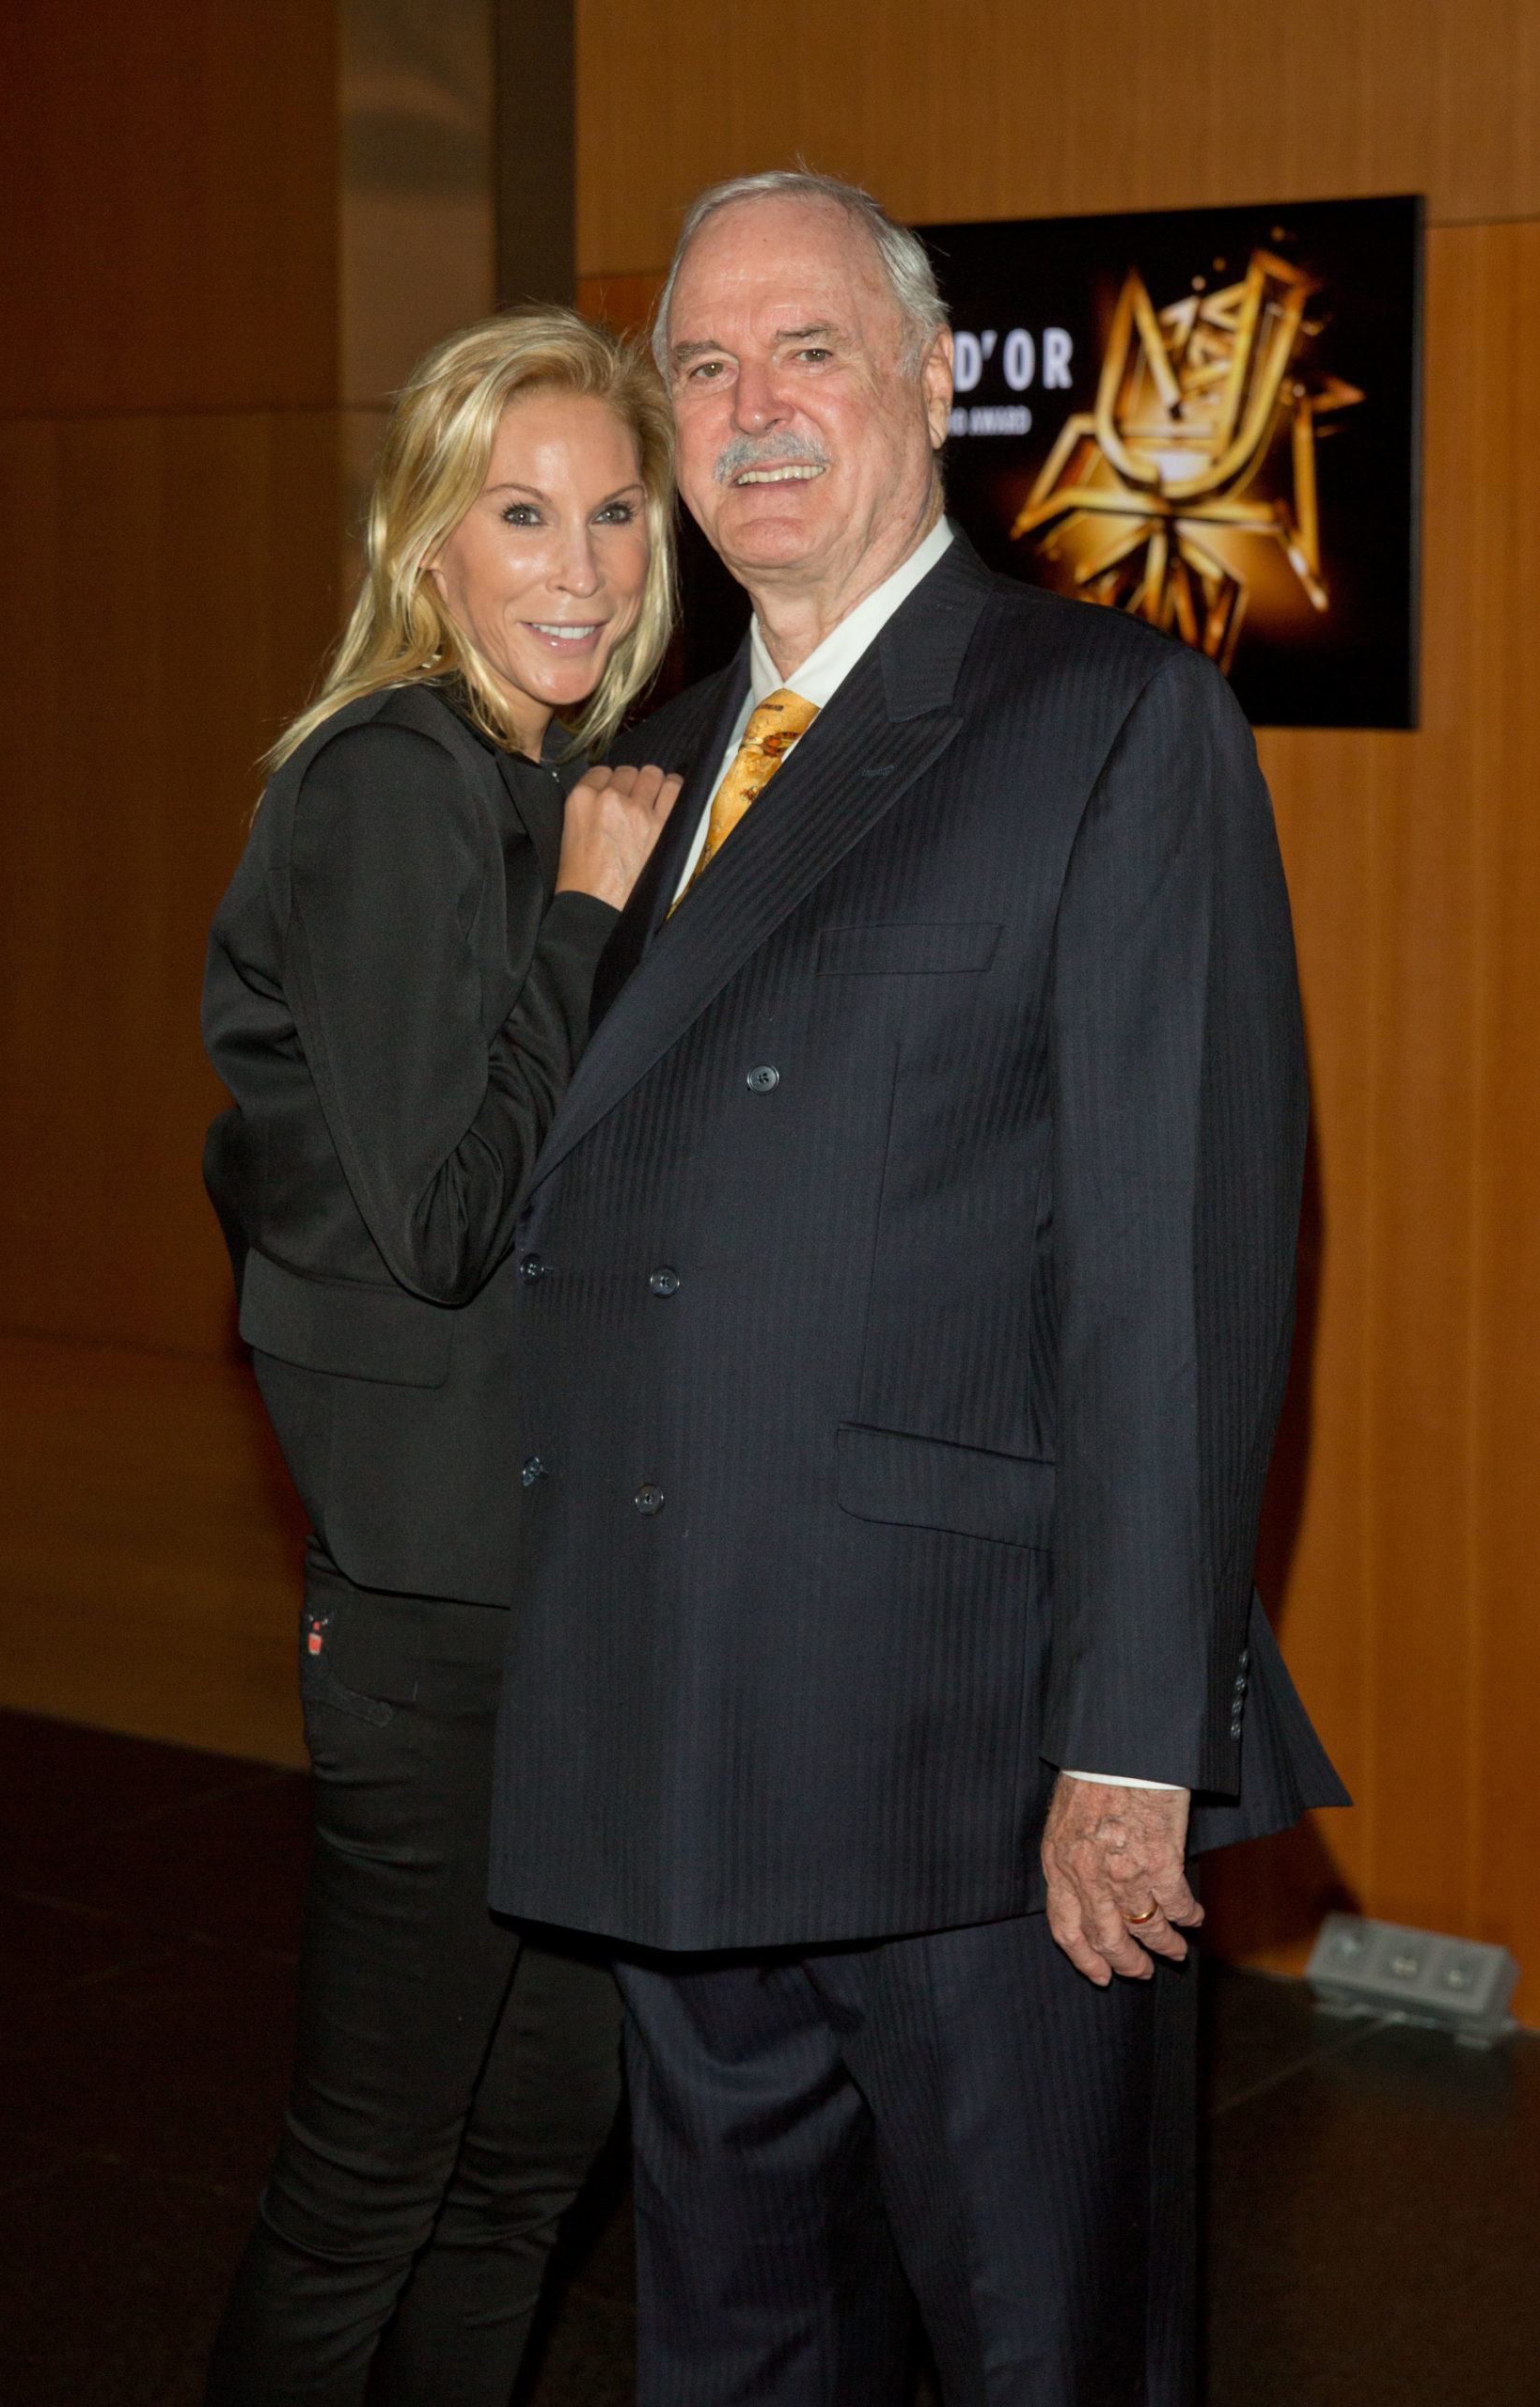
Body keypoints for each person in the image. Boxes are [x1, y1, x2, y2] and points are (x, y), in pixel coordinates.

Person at [486, 177, 1351, 2404]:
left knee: (1039, 2344)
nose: (752, 409)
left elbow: (1176, 1269)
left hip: (979, 1770)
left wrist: (1130, 1741)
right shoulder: (649, 756)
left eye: (808, 353)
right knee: (735, 2339)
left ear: (937, 383)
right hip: (681, 1729)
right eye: (702, 365)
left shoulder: (1107, 722)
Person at [198, 307, 680, 2407]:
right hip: (434, 1616)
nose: (575, 564)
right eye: (521, 513)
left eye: (611, 510)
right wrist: (586, 917)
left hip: (575, 1585)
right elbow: (443, 1217)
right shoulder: (393, 782)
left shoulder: (562, 773)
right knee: (377, 2174)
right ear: (432, 546)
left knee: (529, 2165)